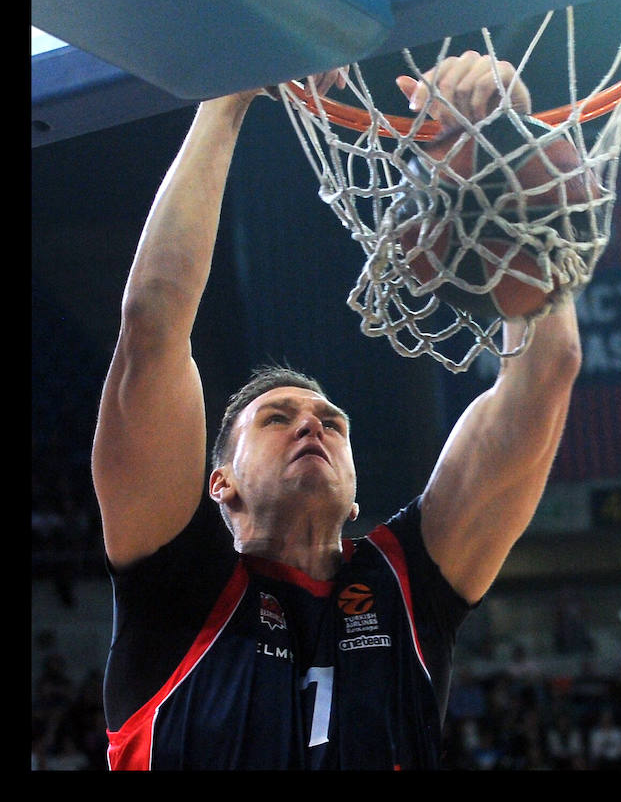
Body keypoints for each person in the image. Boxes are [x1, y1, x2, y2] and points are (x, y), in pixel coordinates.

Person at [91, 52, 583, 770]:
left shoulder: (404, 584)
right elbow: (153, 322)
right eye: (276, 418)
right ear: (219, 481)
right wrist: (226, 97)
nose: (312, 424)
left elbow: (548, 372)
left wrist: (509, 153)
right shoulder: (173, 587)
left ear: (355, 493)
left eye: (331, 421)